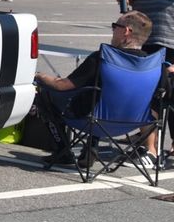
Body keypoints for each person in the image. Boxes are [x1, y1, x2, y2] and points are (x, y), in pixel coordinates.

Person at [34, 10, 160, 166]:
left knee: (45, 92)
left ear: (126, 31)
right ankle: (90, 149)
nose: (113, 30)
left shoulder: (103, 58)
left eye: (115, 26)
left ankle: (62, 150)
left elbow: (62, 86)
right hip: (132, 123)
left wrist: (39, 76)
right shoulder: (153, 65)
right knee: (99, 91)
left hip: (94, 121)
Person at [132, 0, 174, 165]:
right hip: (145, 43)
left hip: (171, 44)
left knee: (166, 97)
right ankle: (150, 149)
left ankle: (160, 150)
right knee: (147, 96)